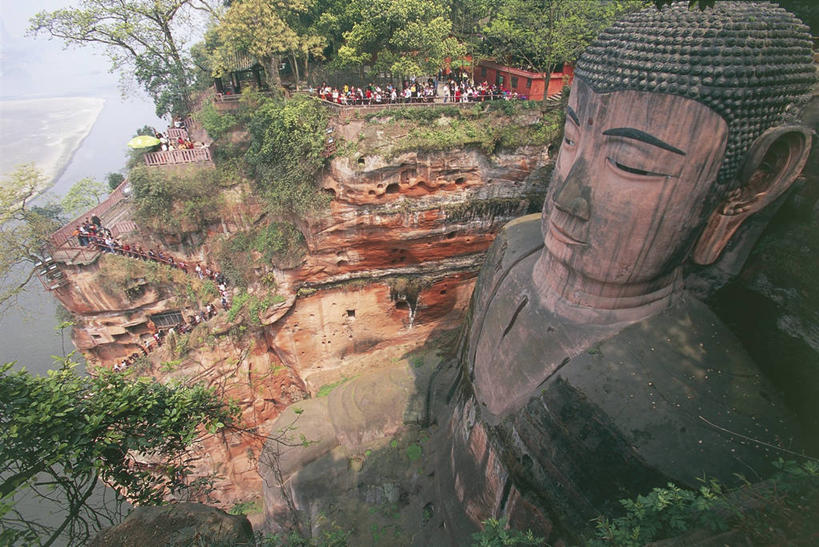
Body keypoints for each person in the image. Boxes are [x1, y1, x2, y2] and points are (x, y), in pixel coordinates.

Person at [442, 1, 815, 539]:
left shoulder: (711, 424)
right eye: (570, 141)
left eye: (630, 164)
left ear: (751, 186)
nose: (567, 196)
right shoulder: (515, 245)